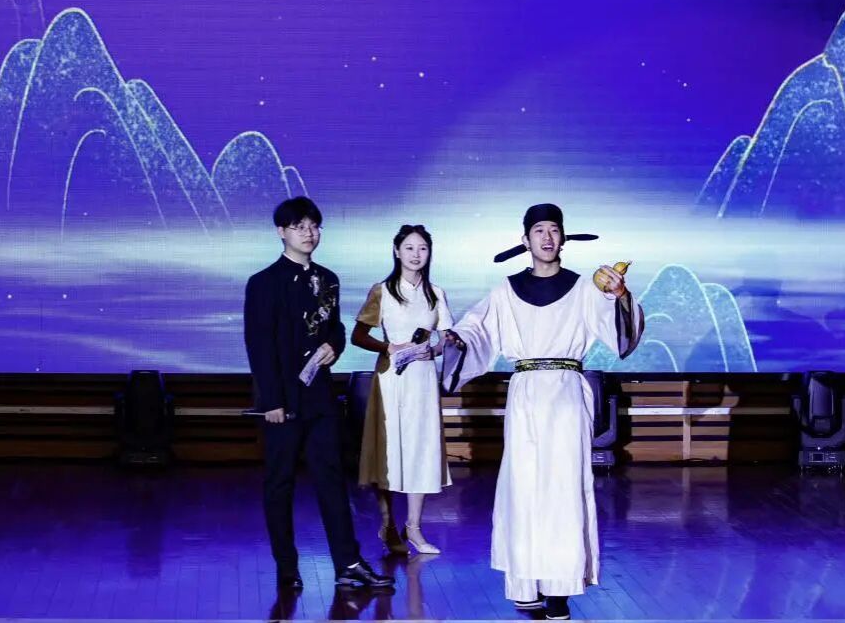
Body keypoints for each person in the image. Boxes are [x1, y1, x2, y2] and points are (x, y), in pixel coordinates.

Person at [442, 203, 643, 621]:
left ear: (563, 238)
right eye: (539, 230)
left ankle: (558, 589)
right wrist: (456, 340)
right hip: (526, 394)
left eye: (554, 230)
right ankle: (525, 582)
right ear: (525, 239)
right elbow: (476, 329)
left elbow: (619, 333)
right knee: (523, 486)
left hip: (566, 393)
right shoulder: (506, 290)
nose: (547, 237)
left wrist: (621, 296)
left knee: (562, 487)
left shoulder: (584, 288)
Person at [243, 196, 395, 592]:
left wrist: (334, 345)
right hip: (282, 401)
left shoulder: (328, 278)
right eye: (299, 227)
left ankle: (348, 563)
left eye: (314, 226)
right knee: (280, 484)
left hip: (321, 398)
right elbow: (259, 345)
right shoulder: (263, 283)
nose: (309, 233)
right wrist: (272, 401)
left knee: (332, 480)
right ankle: (286, 566)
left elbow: (337, 328)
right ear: (281, 232)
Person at [352, 224, 454, 555]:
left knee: (420, 451)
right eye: (409, 248)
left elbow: (447, 338)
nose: (416, 254)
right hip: (391, 381)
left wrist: (433, 350)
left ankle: (414, 528)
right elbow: (358, 335)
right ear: (397, 251)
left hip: (422, 381)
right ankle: (388, 523)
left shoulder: (436, 293)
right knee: (390, 452)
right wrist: (389, 347)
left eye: (422, 248)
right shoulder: (382, 291)